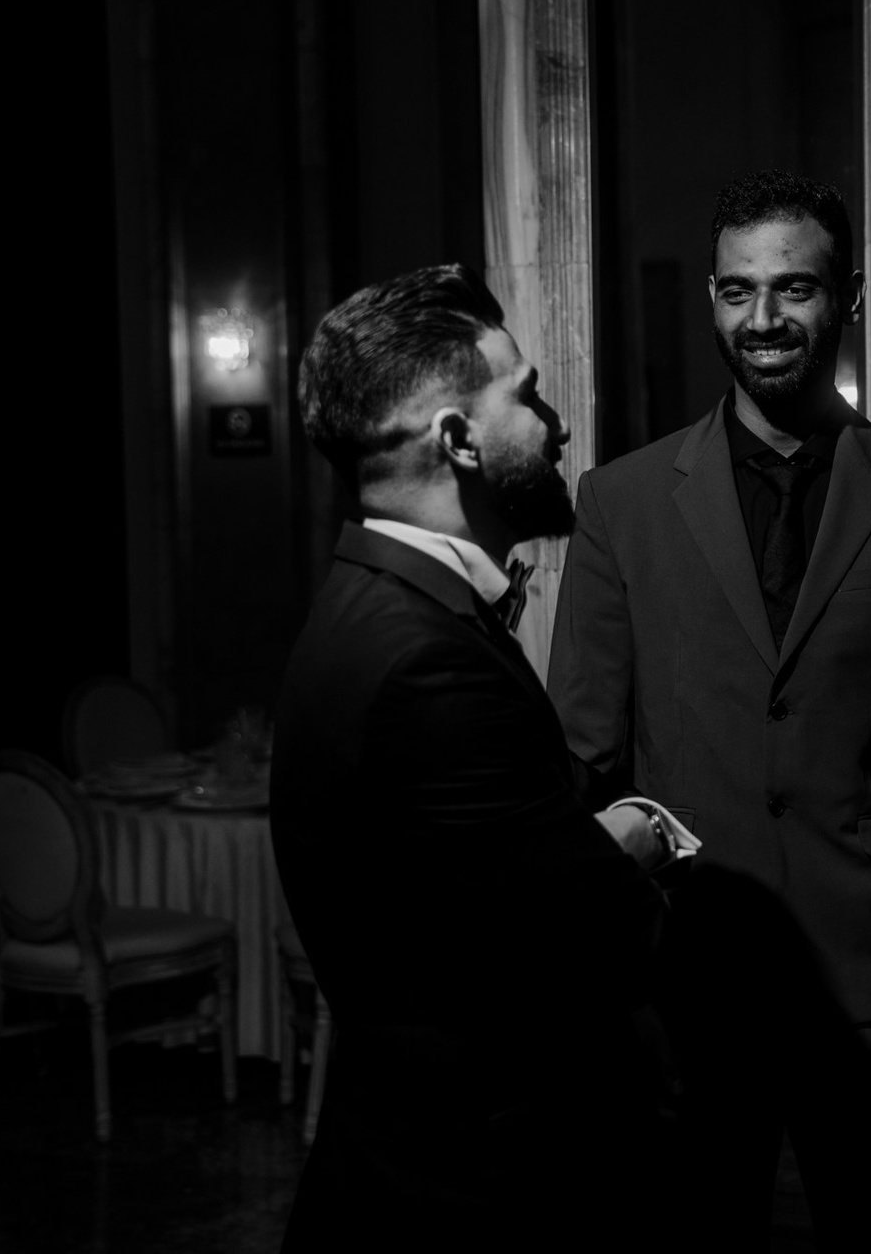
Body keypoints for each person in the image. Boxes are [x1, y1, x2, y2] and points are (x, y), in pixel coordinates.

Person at [548, 170, 871, 1249]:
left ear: (848, 299)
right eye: (737, 290)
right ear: (713, 300)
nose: (763, 318)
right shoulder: (621, 501)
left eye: (794, 288)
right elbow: (583, 756)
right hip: (689, 976)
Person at [271, 263, 673, 1247]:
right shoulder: (425, 661)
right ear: (458, 438)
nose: (557, 424)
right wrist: (634, 840)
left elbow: (467, 899)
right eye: (527, 396)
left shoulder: (368, 602)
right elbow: (589, 942)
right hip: (473, 1186)